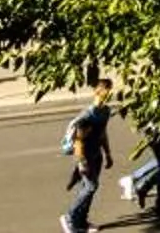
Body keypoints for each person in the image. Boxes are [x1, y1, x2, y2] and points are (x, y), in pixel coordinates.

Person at [60, 80, 115, 233]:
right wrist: (81, 162)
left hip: (97, 155)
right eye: (106, 89)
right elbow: (78, 142)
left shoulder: (106, 111)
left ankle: (81, 221)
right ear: (97, 91)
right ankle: (69, 217)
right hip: (85, 157)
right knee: (91, 186)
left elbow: (103, 133)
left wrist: (108, 153)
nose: (110, 93)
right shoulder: (87, 115)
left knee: (88, 188)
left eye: (110, 89)